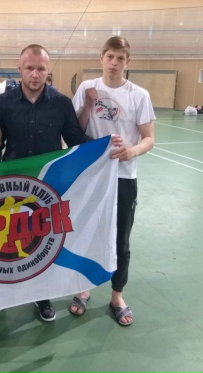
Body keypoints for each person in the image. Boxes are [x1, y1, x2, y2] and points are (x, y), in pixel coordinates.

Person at [0, 43, 123, 324]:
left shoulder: (61, 103)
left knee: (40, 244)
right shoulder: (2, 104)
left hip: (48, 188)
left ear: (47, 70)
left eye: (41, 69)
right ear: (19, 69)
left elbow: (76, 140)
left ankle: (42, 296)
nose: (35, 74)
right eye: (29, 68)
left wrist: (105, 147)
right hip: (10, 187)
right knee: (2, 244)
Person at [70, 36, 155, 327]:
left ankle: (117, 295)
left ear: (127, 62)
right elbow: (75, 129)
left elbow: (149, 138)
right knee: (84, 233)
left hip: (123, 177)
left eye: (120, 58)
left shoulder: (139, 95)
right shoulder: (87, 88)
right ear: (101, 58)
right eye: (110, 57)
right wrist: (87, 104)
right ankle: (83, 287)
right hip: (90, 177)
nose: (114, 63)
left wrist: (131, 151)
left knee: (121, 239)